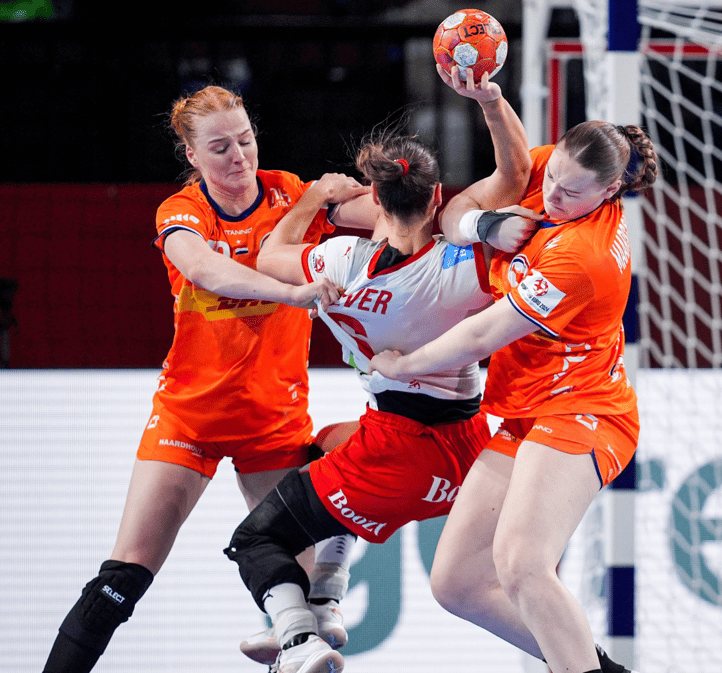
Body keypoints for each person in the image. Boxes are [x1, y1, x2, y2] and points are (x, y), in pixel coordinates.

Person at [41, 84, 374, 673]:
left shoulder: (290, 194)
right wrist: (292, 292)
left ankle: (306, 619)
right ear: (191, 155)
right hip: (188, 419)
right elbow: (207, 269)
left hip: (271, 422)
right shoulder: (182, 212)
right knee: (123, 577)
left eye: (245, 140)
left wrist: (436, 210)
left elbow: (384, 215)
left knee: (296, 621)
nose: (239, 157)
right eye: (219, 148)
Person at [222, 98, 540, 673]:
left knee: (255, 541)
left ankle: (297, 641)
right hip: (468, 448)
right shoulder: (464, 267)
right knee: (325, 443)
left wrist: (316, 199)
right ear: (436, 198)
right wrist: (489, 97)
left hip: (398, 451)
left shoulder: (341, 263)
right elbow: (515, 175)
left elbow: (269, 256)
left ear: (375, 198)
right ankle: (326, 599)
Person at [366, 63, 658, 673]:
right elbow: (456, 212)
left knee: (524, 564)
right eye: (552, 177)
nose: (551, 195)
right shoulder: (555, 167)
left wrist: (405, 366)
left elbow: (484, 332)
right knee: (456, 582)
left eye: (571, 191)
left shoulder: (584, 258)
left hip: (583, 412)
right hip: (527, 409)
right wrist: (484, 223)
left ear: (609, 193)